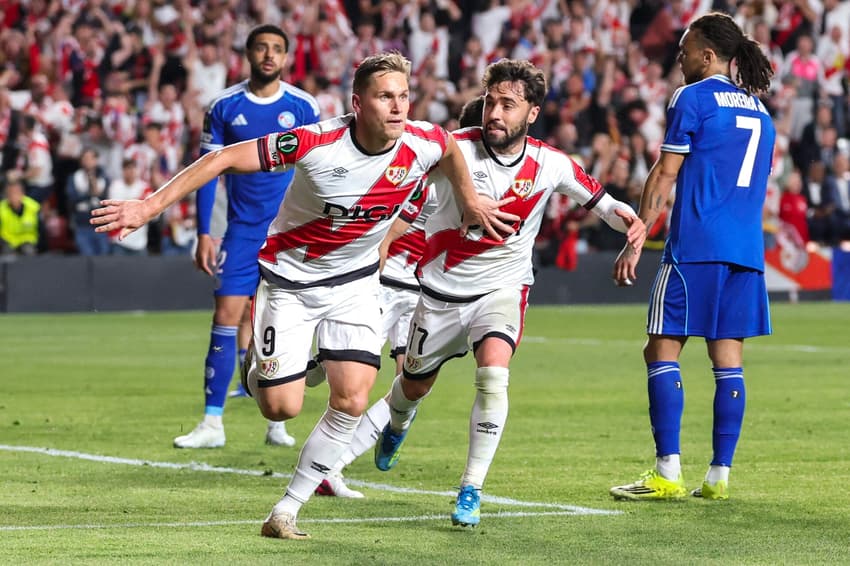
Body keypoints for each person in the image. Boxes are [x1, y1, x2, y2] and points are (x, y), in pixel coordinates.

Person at [91, 51, 516, 540]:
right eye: (385, 97)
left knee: (352, 398)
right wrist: (148, 207)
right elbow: (222, 157)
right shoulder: (315, 142)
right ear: (357, 103)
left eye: (403, 96)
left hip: (355, 283)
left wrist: (469, 200)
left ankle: (286, 510)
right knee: (280, 408)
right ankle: (260, 370)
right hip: (289, 283)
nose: (399, 107)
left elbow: (449, 151)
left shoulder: (423, 140)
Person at [369, 59, 644, 527]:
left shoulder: (551, 163)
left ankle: (470, 489)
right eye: (491, 102)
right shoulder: (452, 148)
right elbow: (401, 199)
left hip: (502, 288)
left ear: (532, 113)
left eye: (508, 105)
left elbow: (604, 204)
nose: (495, 113)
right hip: (439, 295)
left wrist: (632, 226)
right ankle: (398, 422)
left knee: (493, 375)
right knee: (412, 386)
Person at [609, 12, 776, 501]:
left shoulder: (692, 97)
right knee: (728, 361)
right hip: (746, 252)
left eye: (685, 50)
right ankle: (719, 477)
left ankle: (667, 472)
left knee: (660, 350)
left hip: (696, 246)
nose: (679, 58)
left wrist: (636, 236)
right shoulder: (760, 111)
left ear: (707, 55)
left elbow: (665, 174)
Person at [312, 95, 487, 500]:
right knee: (350, 378)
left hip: (421, 293)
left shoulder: (480, 182)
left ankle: (332, 467)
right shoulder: (434, 169)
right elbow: (400, 220)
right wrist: (375, 260)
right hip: (388, 284)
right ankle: (306, 363)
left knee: (410, 386)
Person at [173, 24, 321, 450]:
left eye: (277, 49)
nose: (269, 55)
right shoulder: (224, 106)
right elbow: (206, 173)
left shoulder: (304, 106)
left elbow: (319, 170)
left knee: (284, 323)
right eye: (261, 48)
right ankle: (212, 422)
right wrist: (205, 232)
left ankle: (277, 423)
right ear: (249, 54)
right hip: (240, 232)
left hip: (290, 233)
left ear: (286, 57)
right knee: (226, 316)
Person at [0, 175, 41, 256]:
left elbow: (41, 229)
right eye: (11, 193)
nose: (14, 196)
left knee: (29, 252)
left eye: (17, 192)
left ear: (22, 193)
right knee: (7, 256)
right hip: (8, 241)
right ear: (7, 195)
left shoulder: (33, 207)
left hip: (28, 240)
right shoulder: (1, 209)